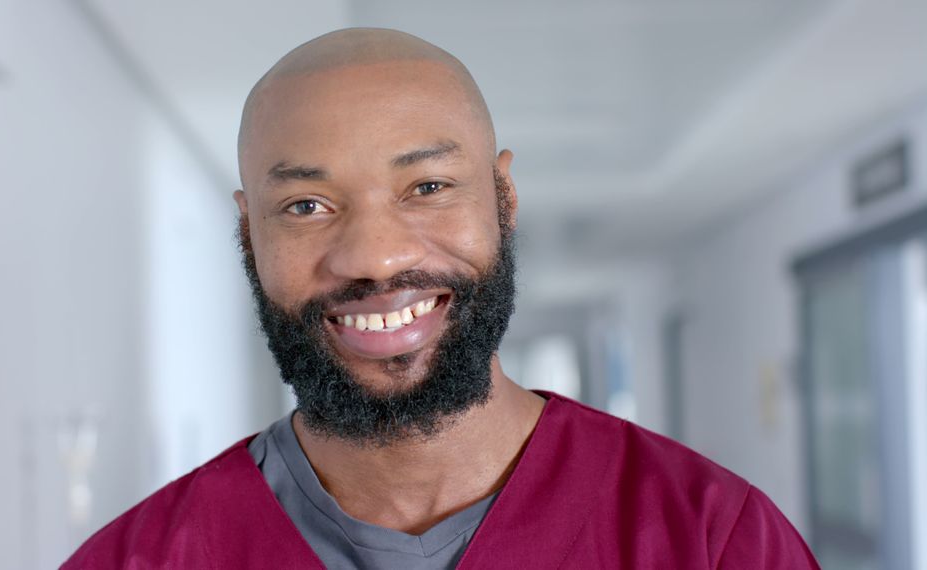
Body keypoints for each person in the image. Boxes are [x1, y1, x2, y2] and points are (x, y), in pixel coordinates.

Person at [63, 28, 819, 569]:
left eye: (427, 188)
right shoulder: (139, 558)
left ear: (503, 197)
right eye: (305, 206)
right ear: (247, 232)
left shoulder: (715, 542)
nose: (375, 256)